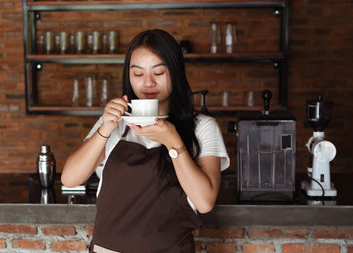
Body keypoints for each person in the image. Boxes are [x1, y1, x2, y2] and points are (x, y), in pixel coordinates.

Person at [62, 29, 229, 253]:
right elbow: (70, 178)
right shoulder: (114, 122)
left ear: (176, 72)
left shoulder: (203, 127)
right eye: (138, 74)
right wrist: (105, 129)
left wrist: (172, 142)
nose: (147, 83)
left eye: (158, 73)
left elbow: (204, 202)